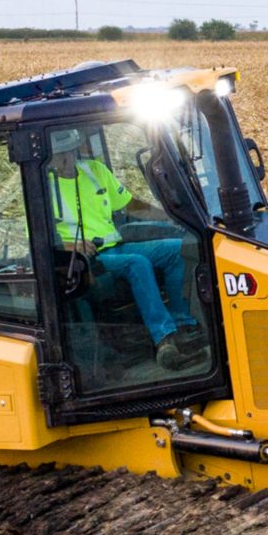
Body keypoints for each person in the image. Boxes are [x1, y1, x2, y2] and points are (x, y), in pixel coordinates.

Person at [47, 127, 199, 369]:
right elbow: (35, 238)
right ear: (49, 156)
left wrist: (171, 216)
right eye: (59, 154)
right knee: (137, 263)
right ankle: (164, 339)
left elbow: (130, 205)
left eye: (69, 151)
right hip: (86, 261)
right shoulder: (44, 190)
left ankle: (184, 325)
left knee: (178, 249)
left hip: (117, 247)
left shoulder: (95, 171)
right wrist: (70, 245)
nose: (66, 158)